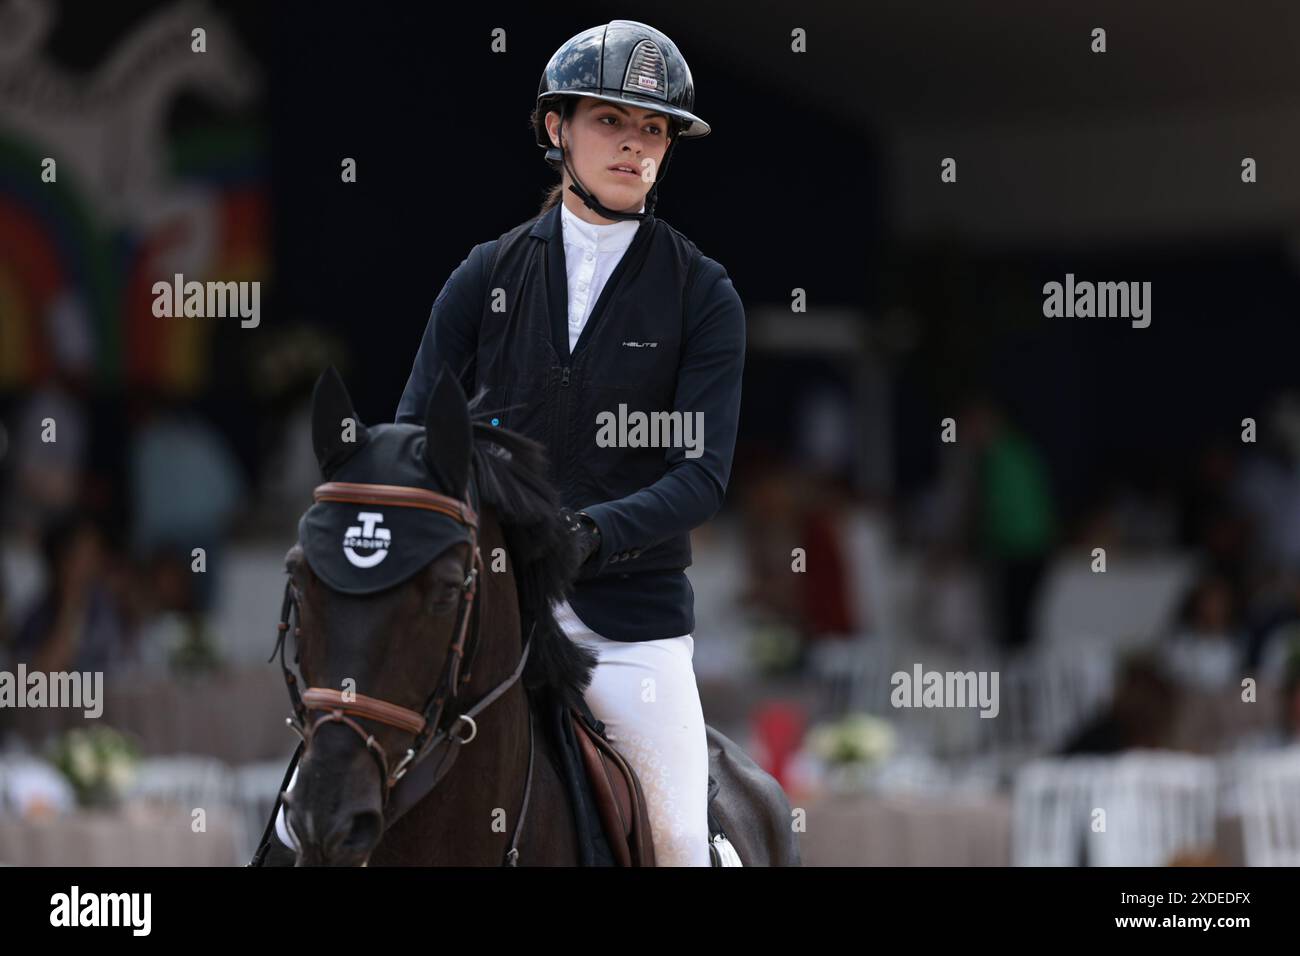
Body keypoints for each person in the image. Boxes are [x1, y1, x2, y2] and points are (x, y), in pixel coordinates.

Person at [395, 20, 745, 865]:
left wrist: (589, 535)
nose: (633, 145)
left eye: (652, 129)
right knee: (341, 772)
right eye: (610, 121)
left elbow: (701, 476)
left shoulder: (702, 293)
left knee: (678, 842)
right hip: (488, 616)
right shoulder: (485, 274)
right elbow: (413, 435)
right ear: (558, 129)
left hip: (628, 632)